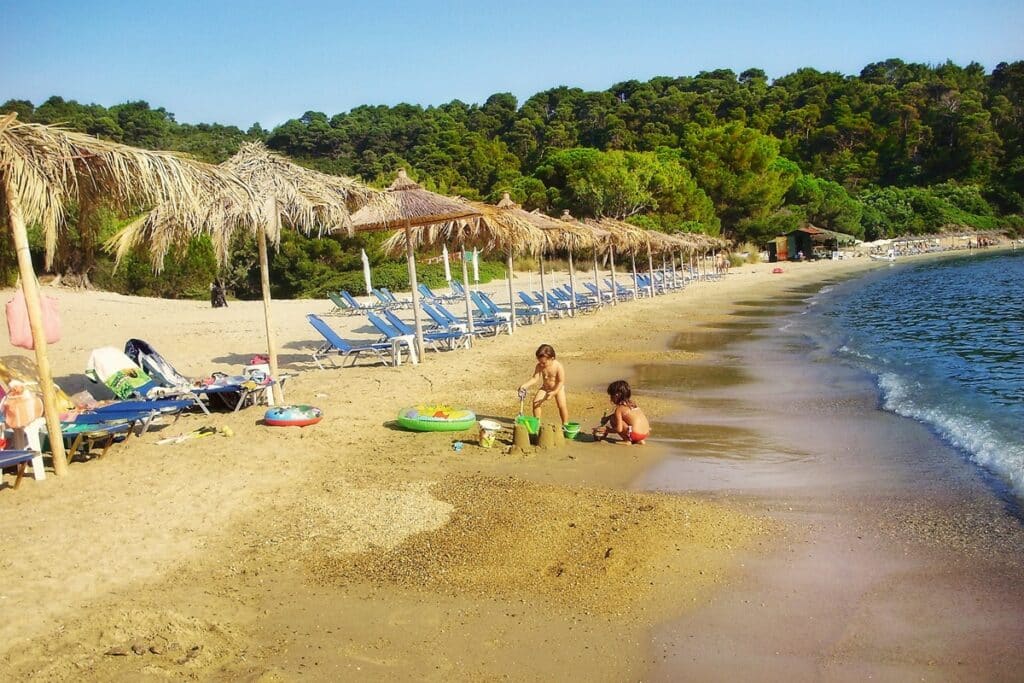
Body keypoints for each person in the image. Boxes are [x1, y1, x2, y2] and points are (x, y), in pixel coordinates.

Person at [517, 344, 568, 424]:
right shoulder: (539, 366)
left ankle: (565, 423)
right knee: (536, 403)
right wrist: (525, 385)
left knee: (561, 406)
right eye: (539, 362)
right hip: (545, 388)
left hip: (558, 388)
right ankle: (537, 422)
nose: (541, 364)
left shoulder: (558, 366)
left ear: (552, 358)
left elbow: (561, 381)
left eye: (544, 363)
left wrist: (554, 392)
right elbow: (535, 378)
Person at [593, 380, 650, 445]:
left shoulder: (619, 409)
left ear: (617, 395)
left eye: (611, 396)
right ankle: (639, 441)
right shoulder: (632, 404)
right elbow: (626, 415)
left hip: (635, 434)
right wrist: (607, 418)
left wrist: (606, 430)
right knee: (613, 417)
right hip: (645, 433)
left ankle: (627, 440)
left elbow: (619, 429)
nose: (611, 399)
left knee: (613, 419)